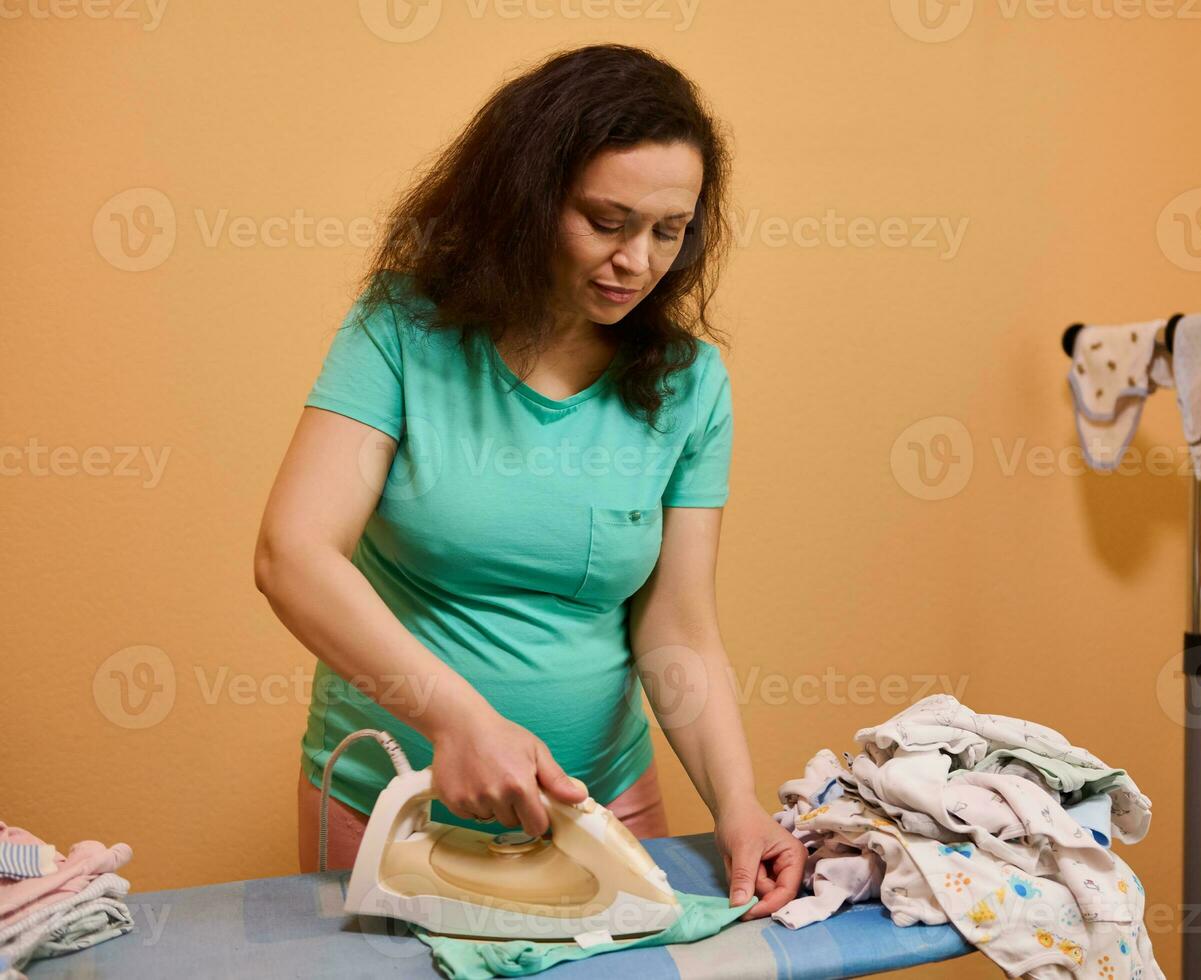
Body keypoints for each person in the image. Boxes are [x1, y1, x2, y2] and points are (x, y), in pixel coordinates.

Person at [254, 43, 803, 921]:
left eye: (669, 230)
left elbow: (678, 630)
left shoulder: (688, 382)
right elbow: (294, 554)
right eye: (606, 220)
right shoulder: (401, 331)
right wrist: (458, 723)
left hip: (600, 805)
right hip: (390, 804)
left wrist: (737, 806)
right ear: (526, 200)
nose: (639, 260)